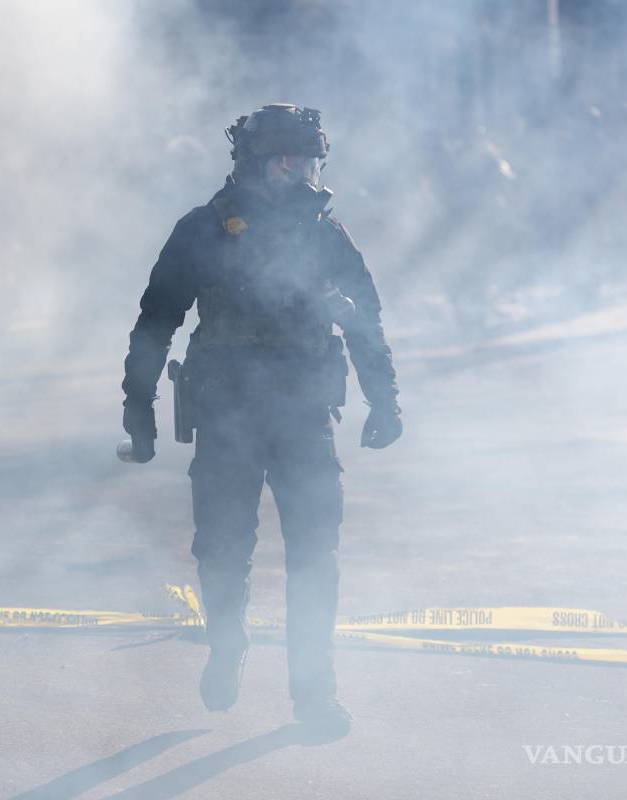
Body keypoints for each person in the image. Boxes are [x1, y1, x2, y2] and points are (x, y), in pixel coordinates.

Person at [120, 104, 402, 737]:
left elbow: (366, 320)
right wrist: (138, 408)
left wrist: (385, 399)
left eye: (310, 162)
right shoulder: (204, 230)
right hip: (228, 415)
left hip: (304, 415)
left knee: (315, 554)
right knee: (222, 548)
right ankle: (227, 643)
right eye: (290, 161)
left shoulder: (327, 235)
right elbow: (156, 321)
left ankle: (315, 695)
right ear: (260, 162)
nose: (303, 173)